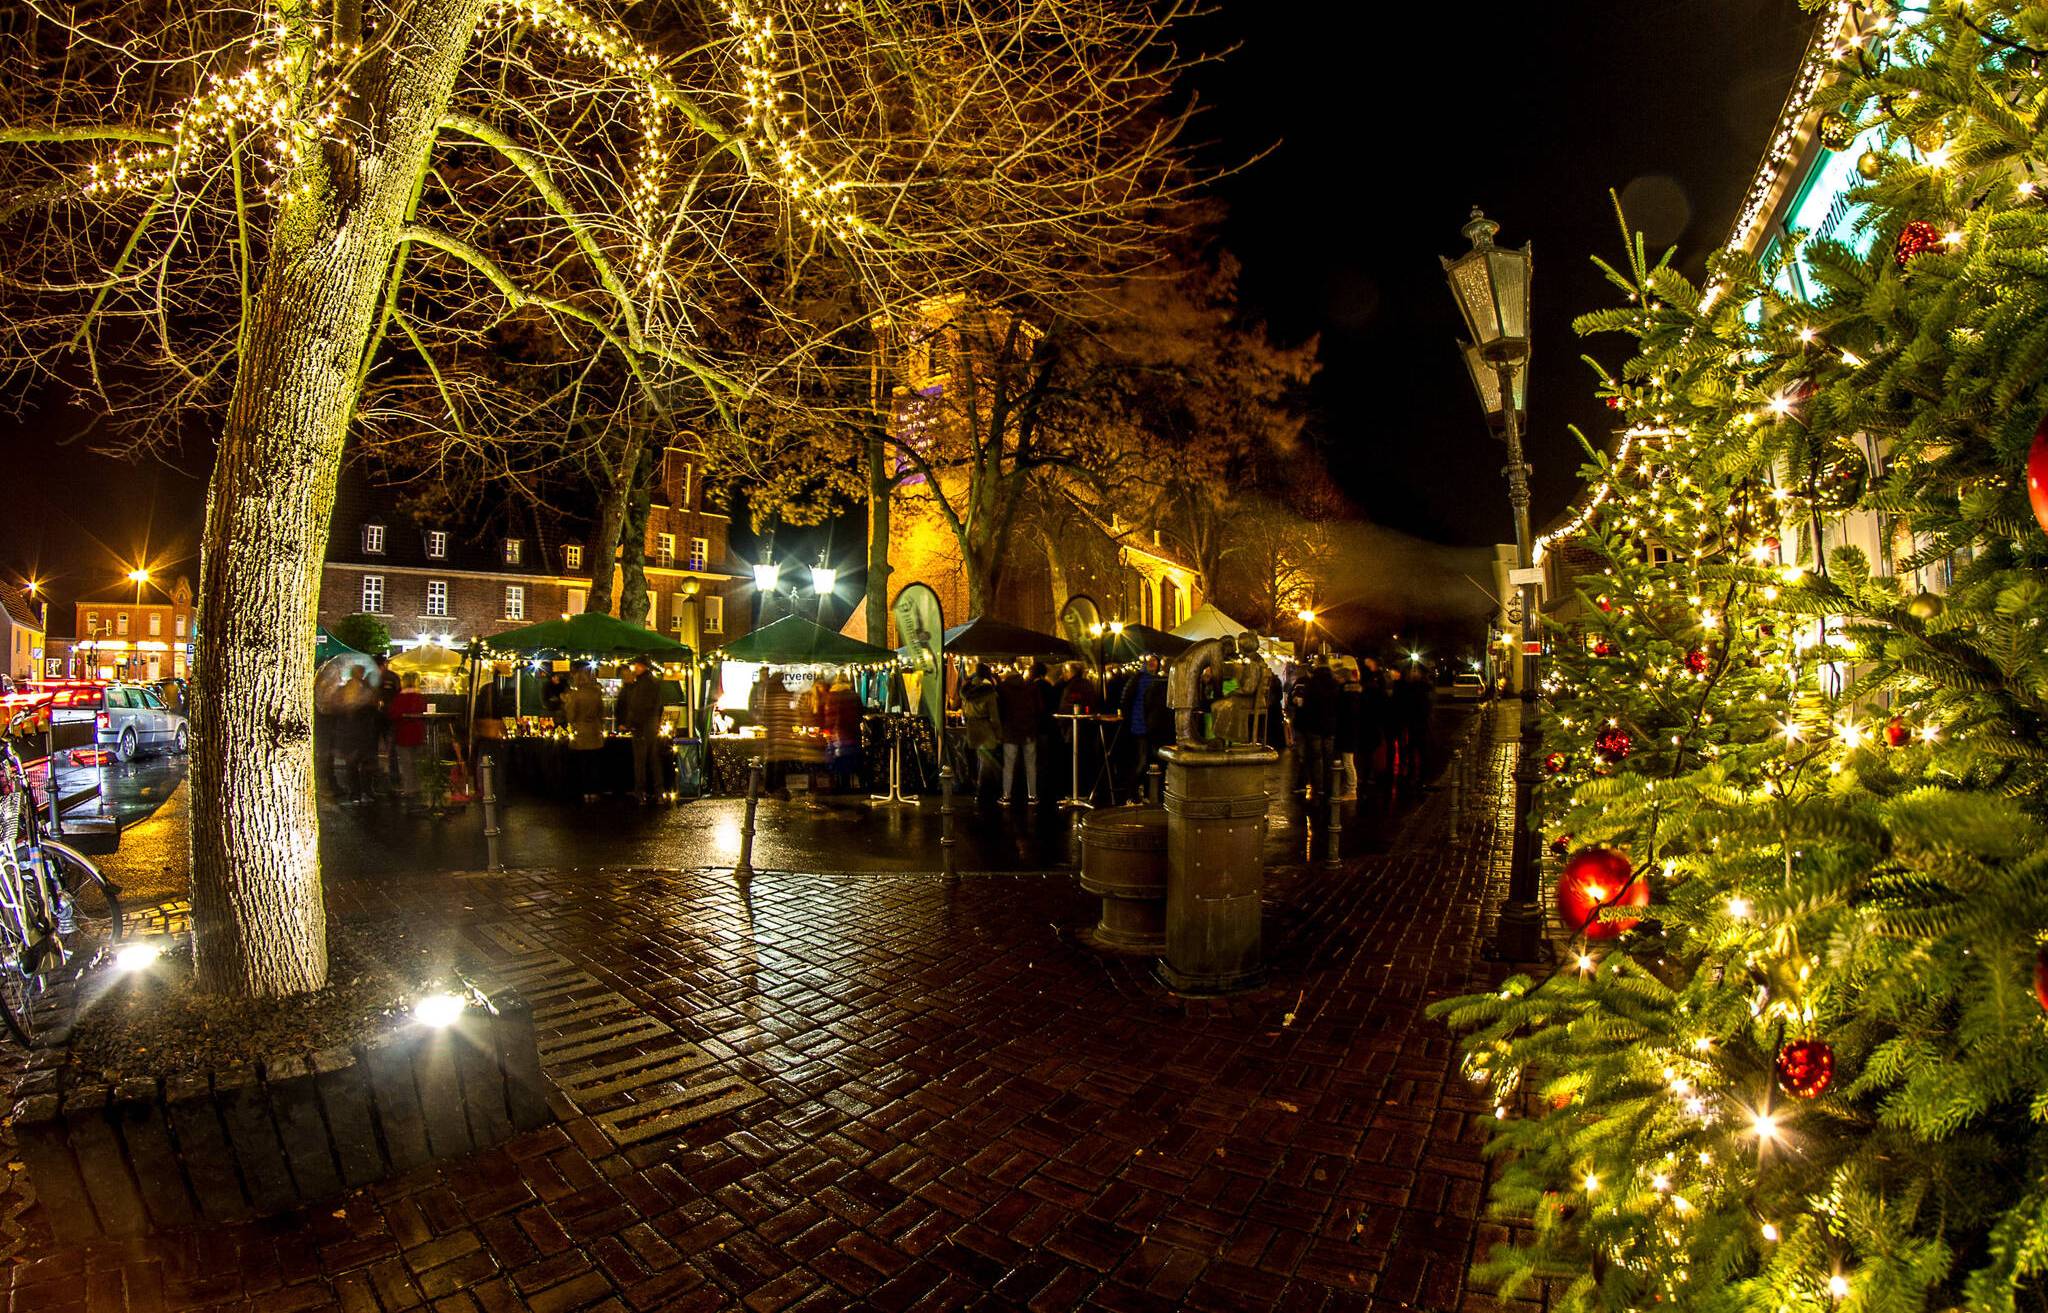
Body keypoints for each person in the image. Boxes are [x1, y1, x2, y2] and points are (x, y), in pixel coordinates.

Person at [616, 657, 666, 803]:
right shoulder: (654, 682)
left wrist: (628, 724)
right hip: (652, 726)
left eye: (637, 666)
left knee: (640, 761)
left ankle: (640, 792)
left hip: (641, 727)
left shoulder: (642, 684)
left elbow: (636, 707)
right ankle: (659, 792)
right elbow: (659, 706)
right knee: (654, 760)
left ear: (643, 667)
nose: (635, 669)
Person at [1120, 655, 1170, 801]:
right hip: (1141, 727)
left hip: (1153, 727)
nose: (1153, 664)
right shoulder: (1138, 679)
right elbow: (1126, 701)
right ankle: (1133, 793)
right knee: (1142, 761)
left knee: (1152, 762)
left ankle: (1150, 792)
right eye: (1150, 661)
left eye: (1155, 661)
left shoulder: (1157, 680)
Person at [1293, 657, 1341, 801]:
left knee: (1316, 757)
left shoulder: (1312, 683)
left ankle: (1319, 787)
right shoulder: (1334, 683)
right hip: (1330, 725)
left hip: (1314, 726)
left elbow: (1307, 705)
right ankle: (1329, 786)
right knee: (1329, 757)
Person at [996, 665, 1042, 805]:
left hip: (1010, 732)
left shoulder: (1003, 689)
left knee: (1008, 766)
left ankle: (1006, 796)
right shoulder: (1030, 688)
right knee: (1031, 765)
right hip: (1028, 731)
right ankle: (1032, 796)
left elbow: (1000, 710)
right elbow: (1039, 708)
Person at [561, 665, 606, 802]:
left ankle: (584, 792)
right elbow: (602, 713)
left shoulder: (575, 695)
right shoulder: (596, 694)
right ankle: (593, 791)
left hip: (580, 733)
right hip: (594, 732)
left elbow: (570, 715)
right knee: (594, 764)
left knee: (583, 764)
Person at [334, 666, 379, 803]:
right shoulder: (365, 689)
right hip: (359, 730)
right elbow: (372, 706)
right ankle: (363, 791)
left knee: (354, 763)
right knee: (362, 762)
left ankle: (358, 792)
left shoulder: (347, 689)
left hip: (353, 730)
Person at [960, 662, 1001, 796]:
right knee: (986, 761)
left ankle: (974, 784)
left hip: (971, 728)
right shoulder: (989, 693)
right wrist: (999, 733)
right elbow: (994, 716)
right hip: (985, 728)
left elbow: (964, 711)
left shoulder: (966, 692)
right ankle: (983, 789)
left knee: (974, 760)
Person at [390, 672, 429, 801]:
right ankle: (419, 787)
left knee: (407, 764)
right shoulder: (419, 697)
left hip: (403, 734)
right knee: (417, 763)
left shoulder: (400, 698)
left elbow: (394, 714)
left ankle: (410, 789)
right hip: (418, 733)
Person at [1393, 664, 1434, 782]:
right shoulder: (1412, 687)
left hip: (1419, 724)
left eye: (1415, 671)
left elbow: (1423, 707)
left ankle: (1421, 775)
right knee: (1413, 749)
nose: (1413, 673)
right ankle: (1415, 773)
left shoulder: (1421, 688)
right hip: (1414, 724)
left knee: (1420, 750)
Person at [372, 654, 399, 794]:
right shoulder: (373, 678)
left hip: (387, 717)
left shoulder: (391, 677)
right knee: (377, 749)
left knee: (391, 749)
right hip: (377, 718)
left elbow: (398, 695)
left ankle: (392, 778)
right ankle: (379, 778)